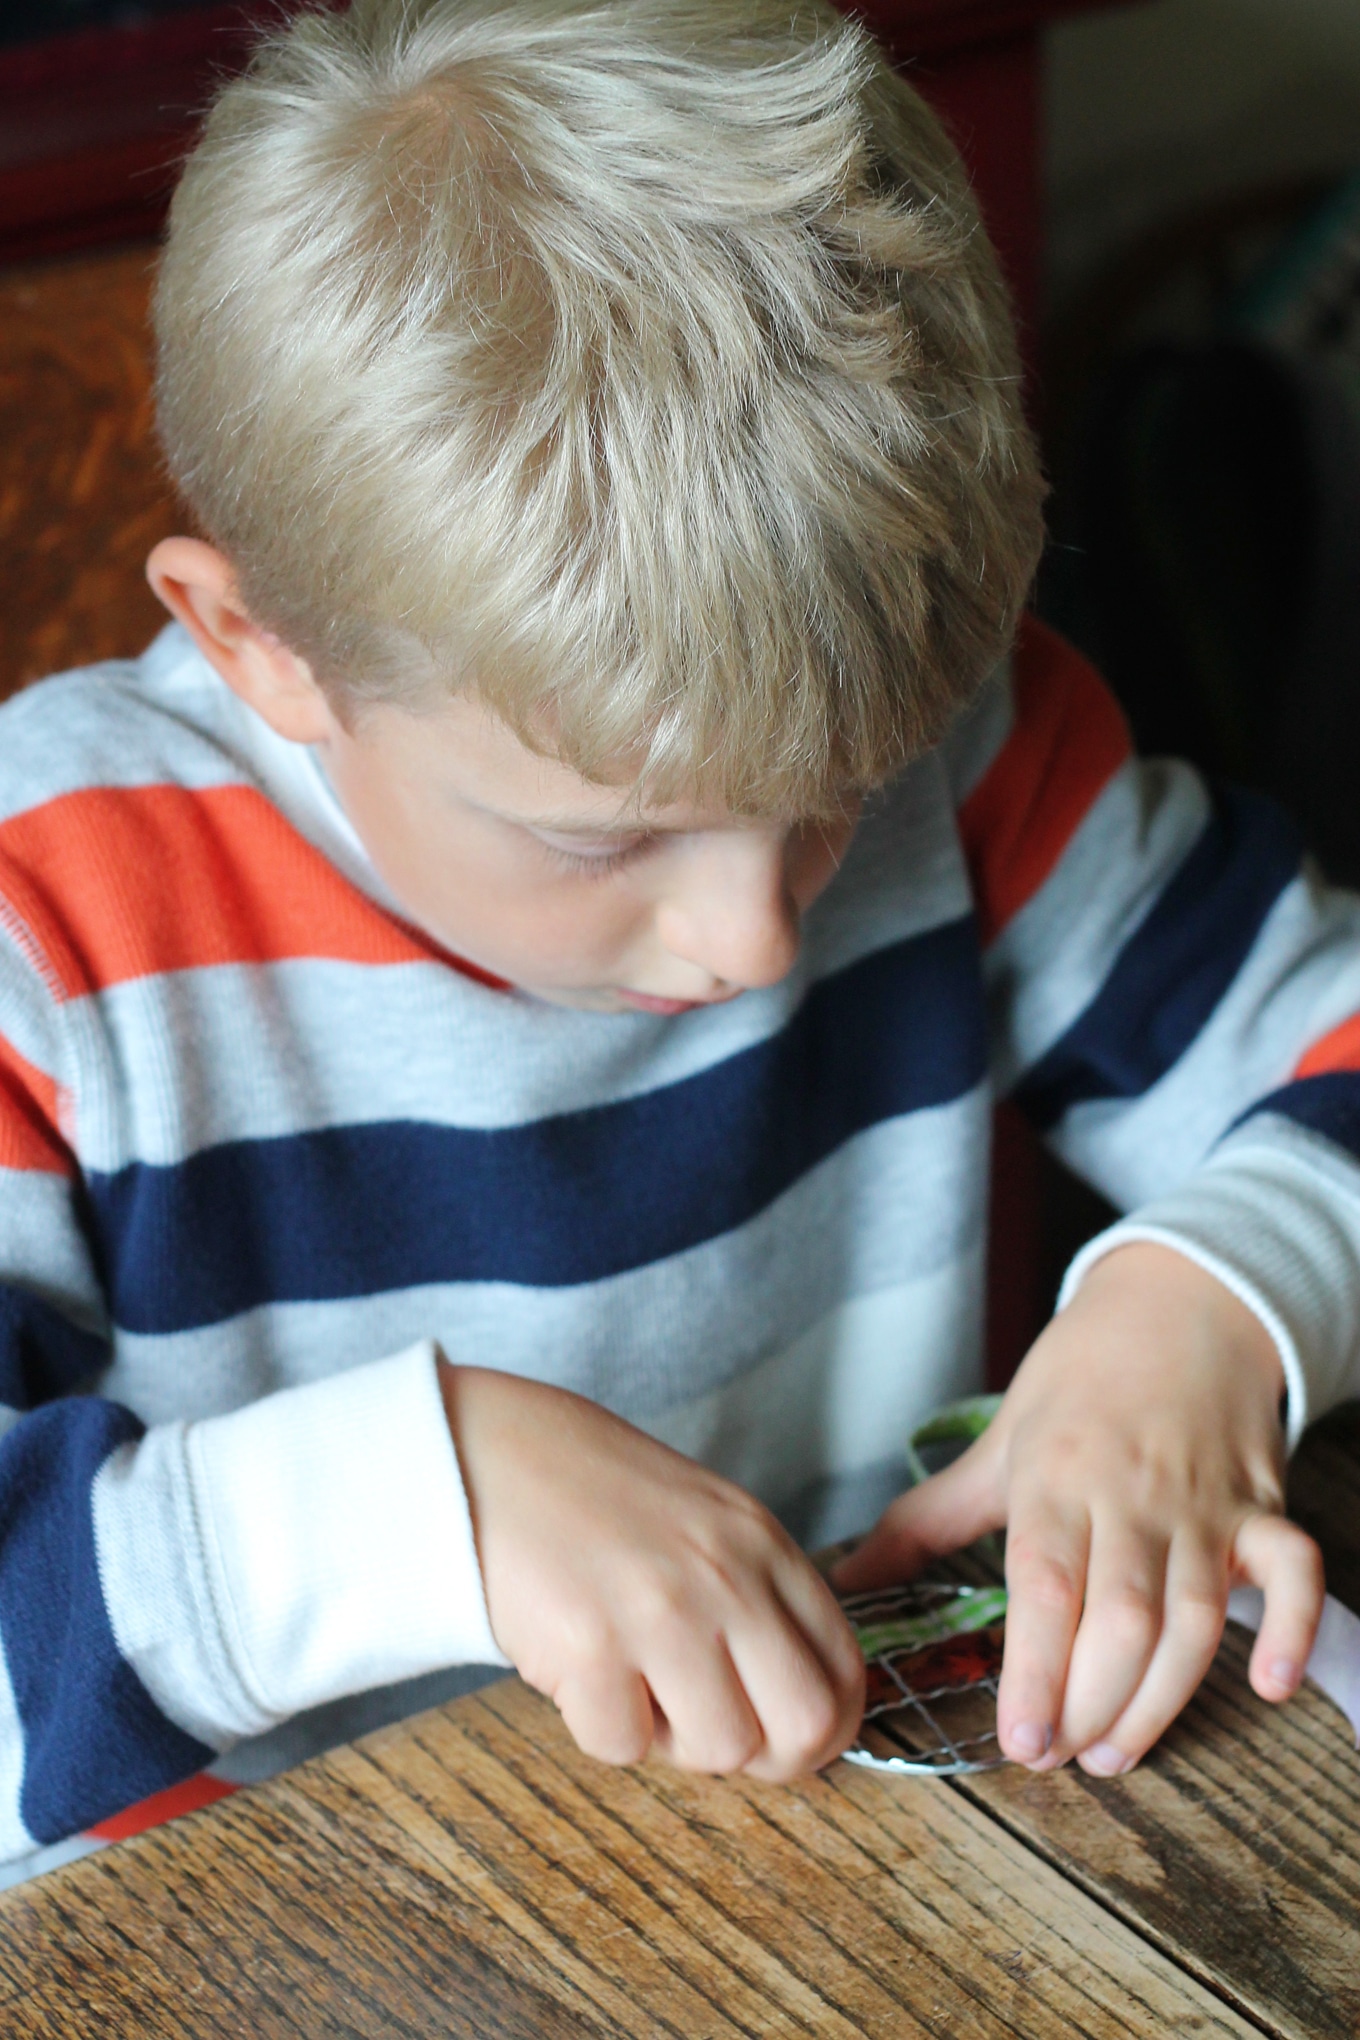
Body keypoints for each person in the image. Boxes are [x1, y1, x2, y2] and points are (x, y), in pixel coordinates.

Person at [1, 0, 1356, 1884]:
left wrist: (1201, 1313)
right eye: (600, 835)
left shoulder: (948, 744)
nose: (753, 933)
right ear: (263, 652)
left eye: (835, 802)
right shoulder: (46, 937)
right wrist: (436, 1502)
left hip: (843, 1889)